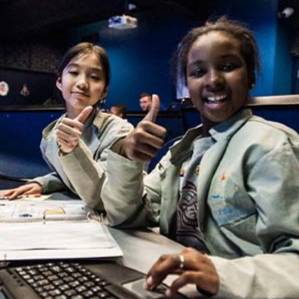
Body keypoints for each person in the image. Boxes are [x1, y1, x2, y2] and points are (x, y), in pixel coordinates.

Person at [101, 17, 299, 298]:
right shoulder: (182, 149)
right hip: (172, 286)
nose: (214, 80)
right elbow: (125, 217)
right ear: (187, 84)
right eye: (198, 71)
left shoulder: (270, 146)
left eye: (228, 67)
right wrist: (127, 157)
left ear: (251, 76)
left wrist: (223, 275)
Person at [0, 42, 133, 211]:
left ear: (105, 90)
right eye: (74, 72)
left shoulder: (119, 133)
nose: (83, 83)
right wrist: (42, 183)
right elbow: (69, 177)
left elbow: (109, 196)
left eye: (94, 77)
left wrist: (74, 151)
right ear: (59, 82)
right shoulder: (50, 136)